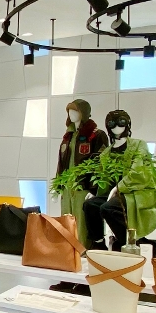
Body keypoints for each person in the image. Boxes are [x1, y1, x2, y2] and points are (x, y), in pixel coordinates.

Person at [83, 109, 156, 250]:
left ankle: (131, 243)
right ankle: (98, 245)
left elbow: (138, 172)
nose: (116, 126)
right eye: (112, 123)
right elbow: (105, 179)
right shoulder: (106, 153)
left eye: (121, 121)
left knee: (108, 208)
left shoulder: (139, 145)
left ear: (127, 123)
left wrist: (118, 187)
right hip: (117, 194)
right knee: (90, 205)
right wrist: (95, 192)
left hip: (138, 192)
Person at [55, 99, 106, 245]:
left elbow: (100, 163)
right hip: (67, 186)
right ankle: (67, 250)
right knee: (66, 219)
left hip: (83, 186)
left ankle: (83, 250)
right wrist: (57, 186)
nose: (71, 114)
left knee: (81, 221)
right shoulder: (68, 137)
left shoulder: (97, 135)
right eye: (69, 111)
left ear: (84, 113)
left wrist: (94, 189)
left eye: (75, 111)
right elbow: (61, 162)